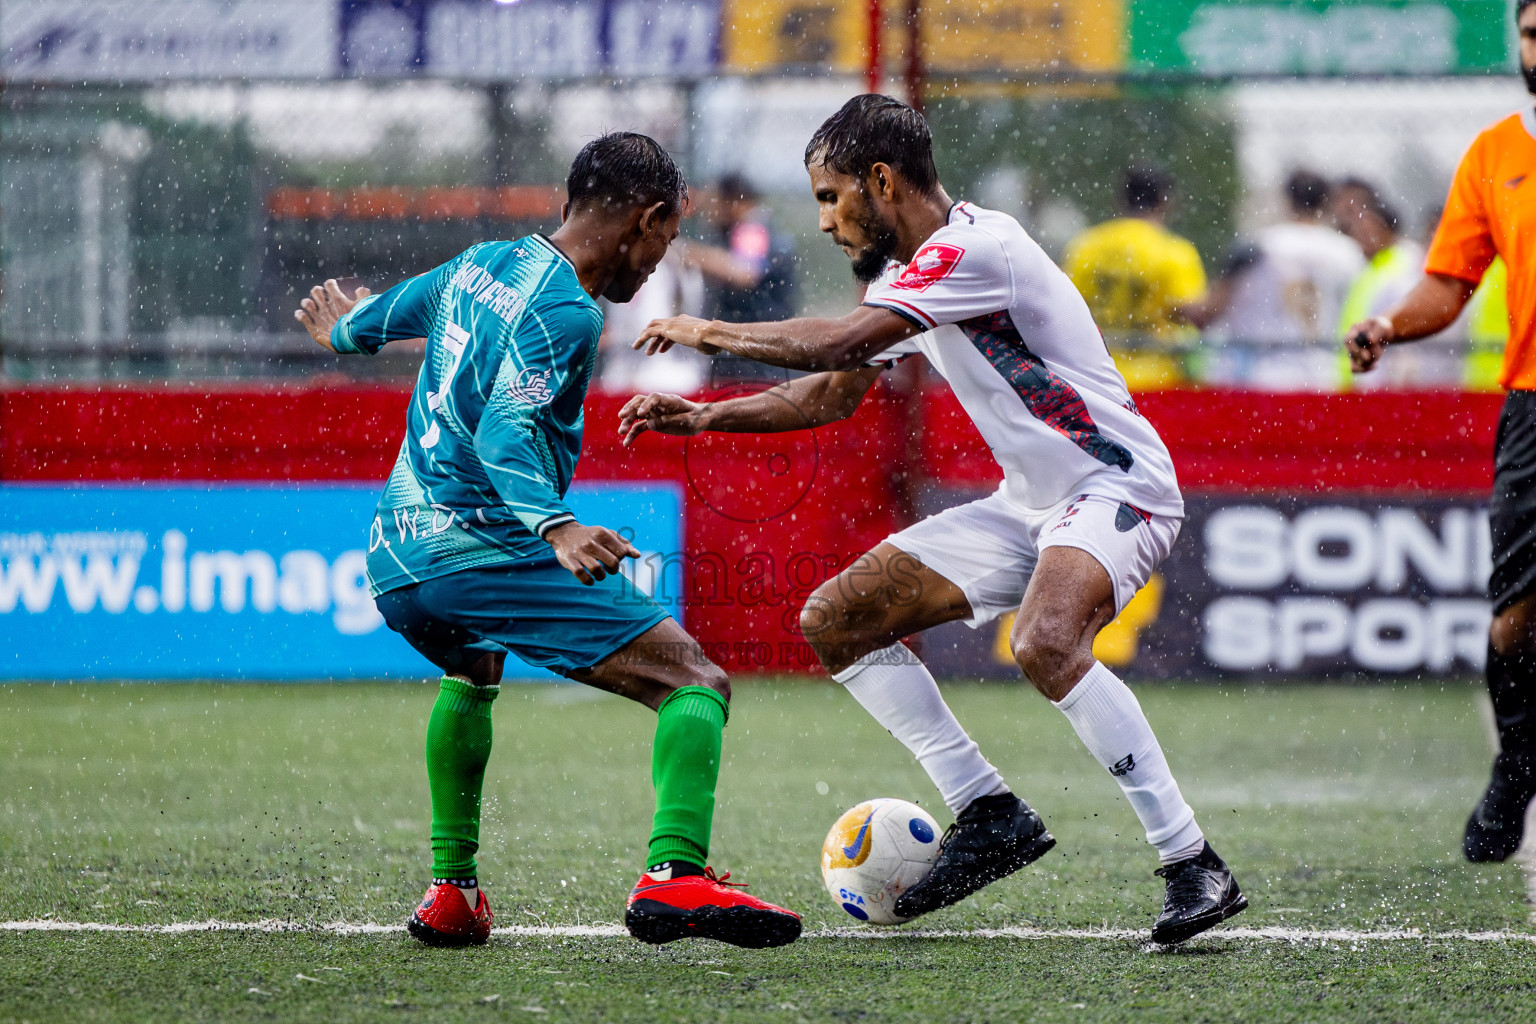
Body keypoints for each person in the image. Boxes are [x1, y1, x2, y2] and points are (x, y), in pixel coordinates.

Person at [621, 95, 1246, 944]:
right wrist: (706, 417)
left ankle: (1191, 862)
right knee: (836, 618)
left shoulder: (973, 249)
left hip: (1115, 489)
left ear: (881, 182)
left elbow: (835, 345)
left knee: (1044, 641)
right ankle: (987, 810)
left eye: (830, 195)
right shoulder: (907, 276)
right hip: (1027, 507)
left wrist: (707, 327)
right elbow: (831, 391)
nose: (827, 219)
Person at [293, 132, 800, 950]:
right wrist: (556, 526)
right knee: (693, 680)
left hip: (395, 556)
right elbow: (504, 433)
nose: (655, 264)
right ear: (650, 218)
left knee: (473, 665)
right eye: (664, 241)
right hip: (479, 548)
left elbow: (375, 323)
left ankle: (452, 892)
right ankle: (676, 878)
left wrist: (341, 329)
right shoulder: (567, 308)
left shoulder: (480, 262)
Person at [1346, 0, 1536, 864]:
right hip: (1535, 406)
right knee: (1516, 623)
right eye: (1532, 32)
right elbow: (1450, 284)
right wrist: (1389, 325)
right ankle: (1517, 768)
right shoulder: (1496, 153)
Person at [1197, 170, 1364, 390]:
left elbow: (1212, 308)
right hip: (1323, 375)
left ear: (1287, 199)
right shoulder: (1348, 253)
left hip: (1266, 374)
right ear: (1325, 202)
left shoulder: (1261, 245)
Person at [1063, 167, 1207, 390]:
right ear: (1164, 201)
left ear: (1121, 199)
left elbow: (1065, 307)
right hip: (1156, 382)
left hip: (1096, 378)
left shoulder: (1085, 246)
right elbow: (1195, 314)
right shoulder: (1173, 252)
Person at [1332, 178, 1462, 389]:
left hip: (1414, 382)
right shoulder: (1369, 267)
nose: (1364, 235)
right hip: (1367, 375)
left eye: (1369, 227)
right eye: (1359, 229)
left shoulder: (1404, 266)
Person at [683, 173, 800, 382]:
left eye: (715, 200)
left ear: (734, 202)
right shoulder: (748, 228)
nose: (710, 209)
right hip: (751, 353)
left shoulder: (752, 226)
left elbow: (745, 272)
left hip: (753, 359)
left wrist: (686, 253)